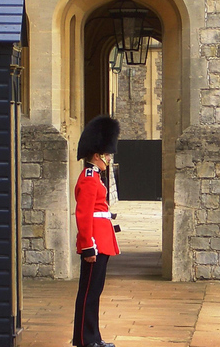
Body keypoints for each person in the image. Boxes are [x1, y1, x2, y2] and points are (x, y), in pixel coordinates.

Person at [72, 115, 121, 347]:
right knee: (89, 294)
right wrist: (88, 245)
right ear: (96, 155)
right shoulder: (89, 178)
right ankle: (84, 339)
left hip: (102, 240)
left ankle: (94, 337)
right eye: (107, 153)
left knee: (95, 293)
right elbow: (84, 216)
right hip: (94, 243)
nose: (109, 157)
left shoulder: (96, 178)